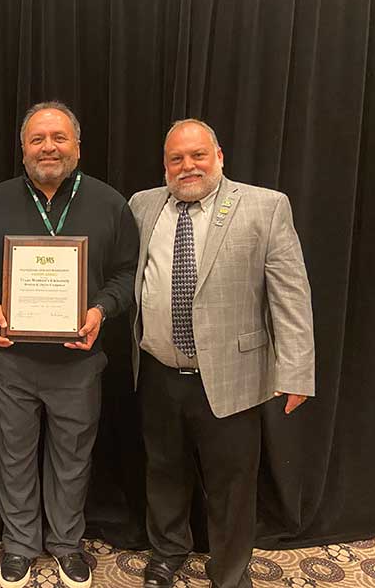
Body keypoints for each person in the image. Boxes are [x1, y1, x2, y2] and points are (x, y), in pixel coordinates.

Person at [129, 119, 315, 588]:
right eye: (176, 158)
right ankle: (166, 554)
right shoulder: (142, 205)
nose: (187, 166)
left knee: (232, 483)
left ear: (219, 156)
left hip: (232, 373)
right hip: (158, 370)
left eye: (198, 155)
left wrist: (296, 370)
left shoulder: (265, 206)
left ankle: (229, 572)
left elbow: (290, 294)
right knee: (164, 469)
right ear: (165, 164)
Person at [0, 101, 139, 588]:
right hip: (10, 359)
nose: (49, 147)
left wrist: (101, 308)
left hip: (78, 362)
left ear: (77, 147)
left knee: (73, 456)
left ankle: (65, 542)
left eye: (59, 138)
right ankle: (19, 543)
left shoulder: (109, 203)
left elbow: (127, 273)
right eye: (38, 139)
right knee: (13, 455)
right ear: (22, 149)